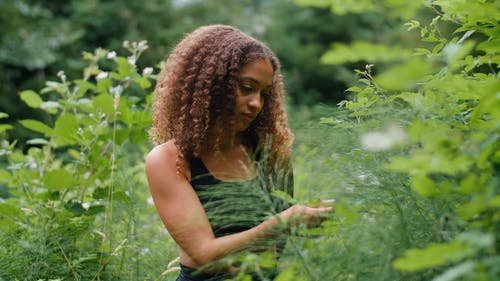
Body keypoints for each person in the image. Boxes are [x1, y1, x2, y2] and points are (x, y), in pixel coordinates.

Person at [145, 24, 332, 281]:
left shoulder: (271, 153)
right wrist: (283, 222)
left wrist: (306, 222)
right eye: (246, 88)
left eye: (263, 93)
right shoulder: (168, 160)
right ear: (211, 85)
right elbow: (204, 253)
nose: (256, 103)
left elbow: (275, 250)